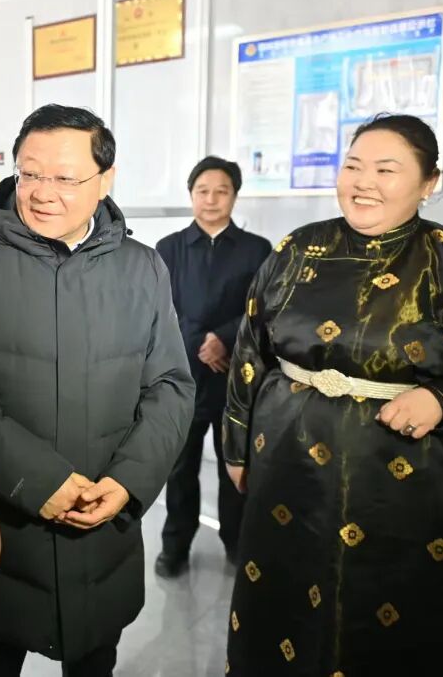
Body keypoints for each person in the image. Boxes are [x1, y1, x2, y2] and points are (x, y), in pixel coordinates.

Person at [221, 113, 443, 676]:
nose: (364, 183)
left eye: (386, 170)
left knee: (392, 612)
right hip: (287, 461)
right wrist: (237, 447)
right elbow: (250, 350)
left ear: (429, 182)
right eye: (353, 166)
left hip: (403, 478)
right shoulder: (298, 249)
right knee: (283, 604)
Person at [0, 103, 195, 676]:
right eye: (29, 173)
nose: (42, 193)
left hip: (104, 518)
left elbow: (170, 385)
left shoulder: (143, 268)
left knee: (94, 658)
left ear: (105, 179)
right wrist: (35, 479)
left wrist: (128, 482)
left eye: (65, 178)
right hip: (5, 523)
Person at [154, 156, 271, 577]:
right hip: (182, 378)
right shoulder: (168, 248)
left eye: (221, 191)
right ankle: (175, 546)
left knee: (234, 467)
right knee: (179, 469)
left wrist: (223, 337)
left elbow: (263, 308)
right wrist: (201, 344)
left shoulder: (257, 249)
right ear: (191, 195)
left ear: (235, 196)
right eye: (202, 190)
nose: (211, 199)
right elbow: (161, 309)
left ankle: (237, 543)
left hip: (235, 378)